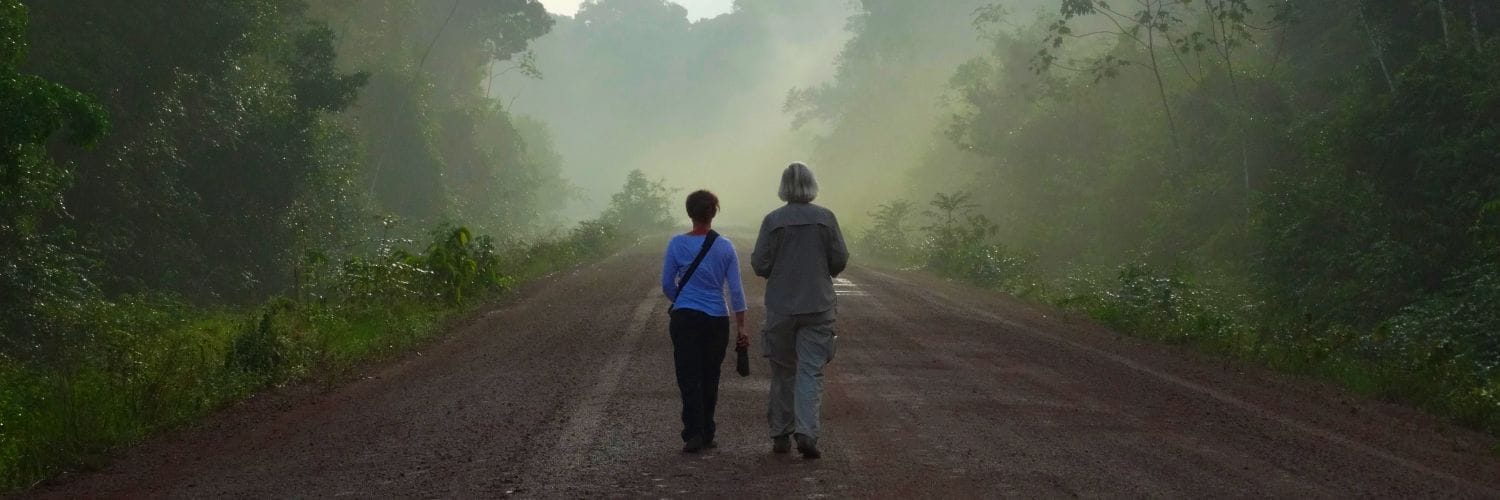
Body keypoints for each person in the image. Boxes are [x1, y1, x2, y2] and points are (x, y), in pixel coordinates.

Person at [751, 162, 848, 459]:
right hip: (818, 305)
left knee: (782, 371)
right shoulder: (826, 219)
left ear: (783, 187)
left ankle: (780, 434)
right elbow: (839, 260)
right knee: (810, 371)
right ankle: (806, 432)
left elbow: (760, 264)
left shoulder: (772, 221)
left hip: (781, 306)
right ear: (812, 185)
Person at [661, 190, 749, 453]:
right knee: (710, 374)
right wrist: (742, 326)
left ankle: (693, 432)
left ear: (690, 214)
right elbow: (735, 290)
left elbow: (666, 284)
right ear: (714, 213)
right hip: (716, 319)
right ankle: (707, 430)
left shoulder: (677, 243)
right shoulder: (725, 246)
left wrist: (683, 298)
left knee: (688, 374)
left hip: (685, 317)